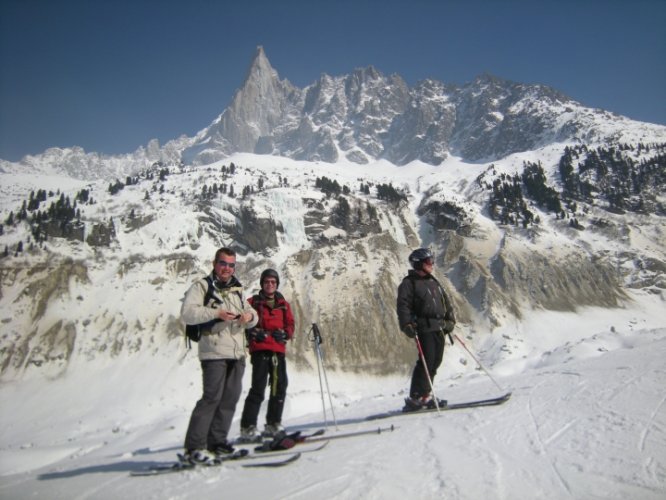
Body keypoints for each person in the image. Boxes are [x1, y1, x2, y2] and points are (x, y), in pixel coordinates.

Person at [180, 247, 258, 464]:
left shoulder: (237, 289)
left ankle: (217, 443)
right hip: (214, 352)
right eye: (223, 263)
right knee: (211, 398)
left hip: (237, 352)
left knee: (229, 399)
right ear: (215, 263)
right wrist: (217, 313)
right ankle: (194, 448)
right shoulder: (202, 286)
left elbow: (254, 315)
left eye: (231, 265)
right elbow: (188, 312)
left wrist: (248, 316)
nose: (227, 268)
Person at [396, 247, 456, 411]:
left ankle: (425, 395)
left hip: (439, 327)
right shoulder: (409, 284)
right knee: (426, 361)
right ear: (419, 264)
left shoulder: (433, 281)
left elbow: (445, 302)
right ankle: (416, 397)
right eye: (429, 261)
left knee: (436, 361)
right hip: (423, 327)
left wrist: (450, 320)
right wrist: (406, 324)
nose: (432, 264)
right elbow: (403, 306)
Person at [239, 268, 295, 441]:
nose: (270, 285)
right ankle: (248, 427)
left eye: (273, 282)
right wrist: (254, 332)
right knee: (258, 387)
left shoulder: (283, 304)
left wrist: (285, 334)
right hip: (260, 349)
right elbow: (243, 319)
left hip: (277, 350)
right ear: (262, 284)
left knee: (280, 386)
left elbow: (290, 324)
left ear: (277, 284)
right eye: (266, 282)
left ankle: (273, 423)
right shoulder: (253, 302)